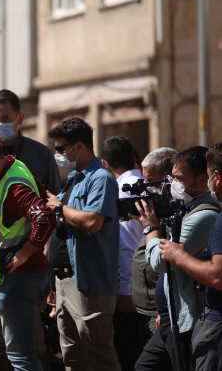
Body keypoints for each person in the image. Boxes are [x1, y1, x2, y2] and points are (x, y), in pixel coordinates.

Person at [0, 89, 60, 371]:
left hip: (20, 266)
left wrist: (31, 253)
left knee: (25, 343)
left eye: (4, 118)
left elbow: (49, 211)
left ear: (19, 119)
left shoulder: (35, 158)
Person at [133, 146, 220, 370]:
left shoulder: (204, 215)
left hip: (190, 321)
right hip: (173, 316)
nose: (175, 185)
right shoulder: (187, 209)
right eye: (173, 178)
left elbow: (160, 262)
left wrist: (150, 228)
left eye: (180, 179)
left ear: (204, 179)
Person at [44, 116, 120, 371]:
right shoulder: (75, 179)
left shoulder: (100, 178)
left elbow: (92, 222)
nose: (58, 154)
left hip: (90, 282)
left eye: (61, 148)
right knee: (73, 358)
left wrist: (59, 207)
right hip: (65, 282)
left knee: (98, 356)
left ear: (79, 146)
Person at [100, 136, 149, 370]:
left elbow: (126, 245)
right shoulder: (148, 184)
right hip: (154, 285)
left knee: (131, 354)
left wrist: (125, 290)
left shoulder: (121, 192)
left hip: (132, 292)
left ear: (105, 164)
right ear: (133, 158)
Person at [132, 148, 177, 326]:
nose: (148, 187)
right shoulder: (158, 209)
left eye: (150, 181)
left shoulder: (176, 210)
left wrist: (163, 310)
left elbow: (165, 262)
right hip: (147, 303)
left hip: (161, 308)